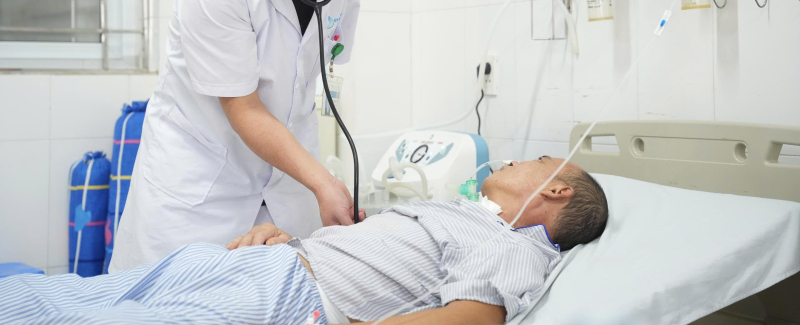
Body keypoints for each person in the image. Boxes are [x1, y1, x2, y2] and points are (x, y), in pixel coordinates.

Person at [109, 0, 371, 273]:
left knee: (287, 295)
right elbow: (244, 108)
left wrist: (319, 185)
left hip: (287, 185)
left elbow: (316, 66)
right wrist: (324, 182)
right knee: (172, 297)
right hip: (203, 187)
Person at [0, 157, 608, 325]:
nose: (515, 159)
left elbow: (470, 318)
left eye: (537, 159)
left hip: (292, 299)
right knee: (56, 299)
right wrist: (287, 240)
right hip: (264, 262)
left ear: (555, 190)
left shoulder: (513, 245)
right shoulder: (462, 215)